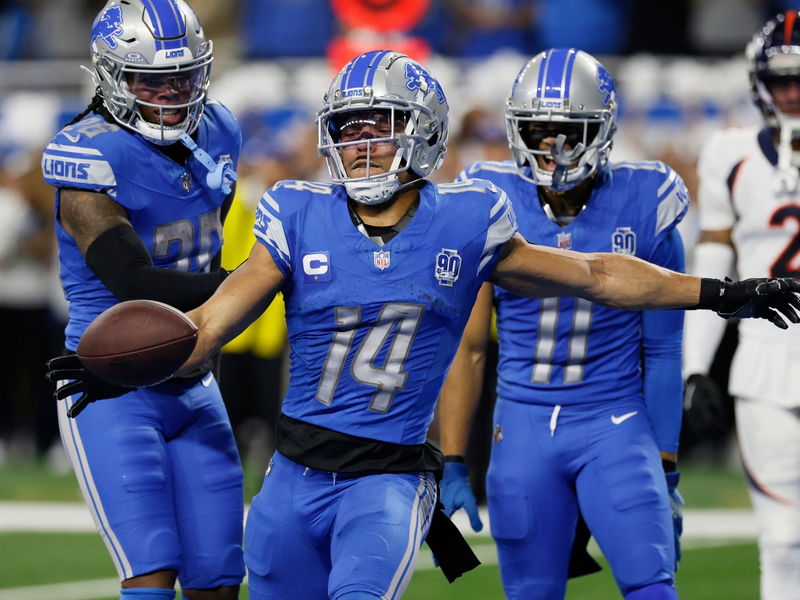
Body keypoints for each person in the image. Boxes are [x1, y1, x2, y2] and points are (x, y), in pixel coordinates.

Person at [84, 50, 798, 600]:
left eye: (379, 130)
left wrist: (716, 291)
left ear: (421, 136)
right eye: (348, 131)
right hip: (291, 478)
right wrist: (119, 368)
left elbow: (597, 275)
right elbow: (207, 328)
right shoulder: (296, 211)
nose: (361, 146)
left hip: (386, 480)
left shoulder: (468, 219)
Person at [437, 48, 687, 600]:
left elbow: (666, 349)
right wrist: (452, 457)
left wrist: (666, 465)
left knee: (652, 585)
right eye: (539, 129)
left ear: (602, 129)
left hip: (615, 420)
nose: (553, 147)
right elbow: (470, 346)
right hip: (521, 424)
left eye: (569, 131)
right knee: (531, 592)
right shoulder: (487, 197)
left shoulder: (646, 199)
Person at [41, 2, 243, 599]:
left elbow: (204, 264)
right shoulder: (87, 152)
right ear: (111, 75)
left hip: (195, 382)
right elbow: (135, 281)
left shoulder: (223, 130)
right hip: (110, 386)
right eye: (151, 80)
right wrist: (259, 277)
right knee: (151, 575)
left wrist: (214, 333)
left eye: (183, 77)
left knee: (219, 578)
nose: (172, 93)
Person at [684, 12, 800, 599]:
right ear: (760, 84)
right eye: (782, 80)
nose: (793, 92)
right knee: (781, 539)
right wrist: (696, 365)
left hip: (767, 360)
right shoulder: (730, 153)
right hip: (767, 359)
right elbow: (714, 263)